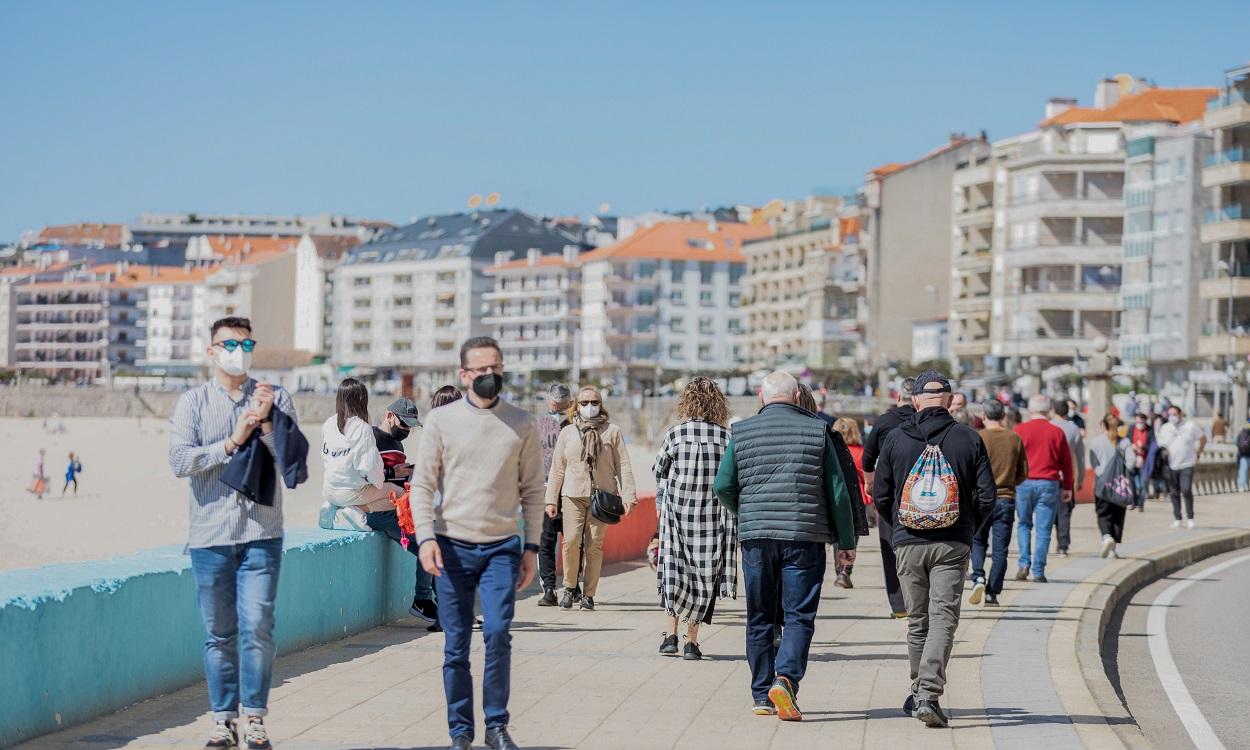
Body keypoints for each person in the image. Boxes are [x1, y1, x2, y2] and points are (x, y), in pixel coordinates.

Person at [169, 316, 304, 750]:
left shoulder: (276, 397)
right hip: (210, 536)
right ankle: (223, 721)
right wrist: (231, 442)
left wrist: (265, 424)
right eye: (229, 344)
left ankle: (256, 718)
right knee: (219, 633)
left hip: (261, 532)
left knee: (259, 625)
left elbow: (291, 462)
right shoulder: (192, 402)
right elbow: (179, 461)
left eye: (246, 344)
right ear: (211, 351)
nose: (238, 351)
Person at [409, 337, 544, 750]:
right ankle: (460, 731)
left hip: (502, 546)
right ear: (464, 375)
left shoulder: (521, 422)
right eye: (481, 369)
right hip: (451, 547)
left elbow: (534, 491)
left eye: (496, 368)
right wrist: (426, 538)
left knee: (499, 632)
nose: (490, 375)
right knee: (456, 644)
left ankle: (497, 725)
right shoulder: (441, 421)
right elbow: (422, 486)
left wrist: (532, 548)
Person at [713, 371, 856, 721]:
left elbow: (722, 486)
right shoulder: (818, 430)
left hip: (757, 537)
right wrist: (845, 541)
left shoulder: (741, 431)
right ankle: (786, 679)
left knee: (760, 616)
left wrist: (745, 513)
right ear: (796, 397)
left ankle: (761, 694)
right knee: (798, 616)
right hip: (805, 535)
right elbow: (837, 492)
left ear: (761, 396)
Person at [872, 371, 995, 728]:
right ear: (950, 399)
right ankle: (928, 693)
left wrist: (899, 528)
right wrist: (967, 529)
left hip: (908, 543)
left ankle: (918, 691)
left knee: (918, 621)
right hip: (952, 543)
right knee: (943, 619)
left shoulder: (895, 439)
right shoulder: (968, 438)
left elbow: (880, 494)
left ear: (915, 401)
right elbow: (987, 497)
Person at [652, 377, 737, 660]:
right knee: (703, 577)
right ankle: (692, 641)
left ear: (686, 402)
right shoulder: (726, 438)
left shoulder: (675, 434)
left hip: (678, 516)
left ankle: (670, 635)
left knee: (674, 574)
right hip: (712, 518)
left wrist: (661, 507)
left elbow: (660, 472)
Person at [545, 385, 638, 611]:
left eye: (594, 402)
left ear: (601, 405)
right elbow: (558, 468)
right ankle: (568, 587)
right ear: (576, 406)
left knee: (594, 547)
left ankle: (588, 594)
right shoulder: (567, 432)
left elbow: (623, 465)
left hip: (602, 497)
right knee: (571, 541)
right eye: (585, 402)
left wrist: (629, 495)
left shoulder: (612, 431)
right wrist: (550, 499)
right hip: (572, 495)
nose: (589, 407)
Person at [364, 397, 438, 625]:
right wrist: (390, 473)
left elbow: (395, 476)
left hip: (397, 507)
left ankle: (441, 602)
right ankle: (424, 600)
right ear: (389, 416)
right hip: (379, 510)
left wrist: (409, 474)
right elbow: (364, 477)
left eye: (410, 427)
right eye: (403, 424)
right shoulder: (371, 439)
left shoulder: (398, 445)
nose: (406, 430)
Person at [862, 377, 916, 617]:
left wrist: (869, 484)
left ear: (898, 398)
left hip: (889, 494)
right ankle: (918, 599)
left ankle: (899, 604)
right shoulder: (923, 421)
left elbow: (867, 457)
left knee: (889, 548)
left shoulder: (884, 422)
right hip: (918, 493)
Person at [969, 399, 1028, 607]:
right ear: (1003, 416)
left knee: (977, 542)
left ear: (983, 416)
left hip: (980, 499)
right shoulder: (1014, 438)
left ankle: (977, 577)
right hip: (1006, 498)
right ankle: (993, 593)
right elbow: (1023, 472)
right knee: (1000, 549)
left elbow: (969, 471)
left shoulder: (977, 437)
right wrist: (1009, 483)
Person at [1013, 395, 1073, 583]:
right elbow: (1067, 463)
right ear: (1049, 411)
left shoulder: (1019, 430)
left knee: (1023, 524)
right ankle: (1038, 571)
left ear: (1030, 410)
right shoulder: (1057, 432)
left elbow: (1013, 459)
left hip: (1024, 482)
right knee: (1044, 529)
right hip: (1049, 482)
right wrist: (1068, 487)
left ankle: (1023, 564)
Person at [320, 379, 394, 528]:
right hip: (350, 493)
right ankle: (357, 510)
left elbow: (326, 459)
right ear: (362, 400)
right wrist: (380, 482)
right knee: (396, 493)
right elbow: (370, 467)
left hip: (328, 489)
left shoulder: (328, 423)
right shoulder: (362, 428)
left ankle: (331, 506)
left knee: (347, 489)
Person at [536, 384, 572, 606]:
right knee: (546, 541)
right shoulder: (539, 424)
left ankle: (572, 586)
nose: (557, 407)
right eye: (554, 402)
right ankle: (549, 588)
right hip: (545, 489)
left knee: (573, 541)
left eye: (561, 403)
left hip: (572, 490)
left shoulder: (577, 424)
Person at [832, 417, 870, 585]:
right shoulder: (859, 451)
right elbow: (865, 473)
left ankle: (838, 570)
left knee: (837, 536)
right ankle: (846, 571)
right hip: (856, 496)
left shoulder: (831, 449)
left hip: (835, 496)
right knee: (853, 535)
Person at [1156, 405, 1206, 529]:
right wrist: (1164, 452)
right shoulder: (1166, 428)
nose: (1172, 417)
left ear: (1180, 414)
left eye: (1174, 414)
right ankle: (1177, 518)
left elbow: (1203, 439)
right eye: (1170, 414)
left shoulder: (1190, 426)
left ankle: (1190, 517)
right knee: (1174, 492)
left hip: (1187, 463)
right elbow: (1161, 444)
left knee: (1186, 489)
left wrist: (1199, 452)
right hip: (1171, 464)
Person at [1088, 414, 1129, 558]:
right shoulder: (1125, 442)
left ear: (1103, 425)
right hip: (1120, 485)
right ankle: (1113, 549)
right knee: (1118, 515)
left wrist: (1102, 474)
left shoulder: (1096, 442)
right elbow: (1132, 463)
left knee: (1103, 513)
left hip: (1102, 485)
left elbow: (1094, 463)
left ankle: (1106, 536)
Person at [1049, 399, 1085, 558]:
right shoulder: (1074, 429)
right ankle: (1063, 545)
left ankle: (1042, 545)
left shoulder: (1048, 426)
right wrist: (1081, 479)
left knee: (1047, 511)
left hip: (1047, 475)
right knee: (1064, 512)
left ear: (1053, 410)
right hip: (1066, 476)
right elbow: (1081, 457)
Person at [1128, 412, 1158, 510]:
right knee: (1131, 482)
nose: (1139, 423)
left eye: (1141, 422)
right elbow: (1126, 440)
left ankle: (1141, 504)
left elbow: (1153, 445)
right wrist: (1132, 446)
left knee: (1142, 483)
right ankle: (1133, 502)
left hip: (1144, 460)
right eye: (1137, 421)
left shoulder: (1150, 430)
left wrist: (1143, 447)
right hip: (1132, 458)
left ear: (1145, 421)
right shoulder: (1131, 428)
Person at [1237, 419, 1250, 492]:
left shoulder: (1242, 430)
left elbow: (1236, 442)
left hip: (1243, 454)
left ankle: (1241, 486)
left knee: (1242, 470)